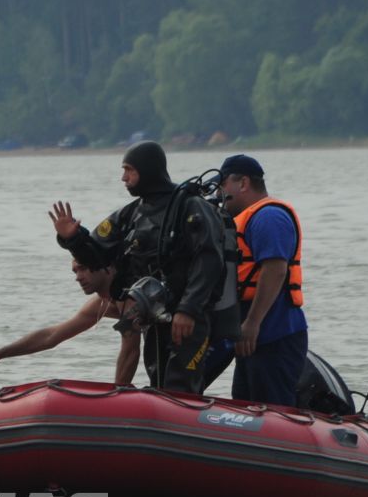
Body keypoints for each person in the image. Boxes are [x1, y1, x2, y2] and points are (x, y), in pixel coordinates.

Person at [51, 141, 237, 393]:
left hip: (190, 319)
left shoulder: (192, 207)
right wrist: (72, 238)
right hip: (153, 319)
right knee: (159, 383)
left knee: (180, 387)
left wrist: (188, 310)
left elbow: (208, 261)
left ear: (147, 170)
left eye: (129, 170)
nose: (123, 177)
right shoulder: (129, 215)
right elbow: (98, 258)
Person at [216, 154, 310, 406]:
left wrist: (252, 323)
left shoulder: (269, 216)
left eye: (223, 184)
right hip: (251, 335)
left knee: (273, 409)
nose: (220, 192)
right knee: (245, 403)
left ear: (243, 183)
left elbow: (276, 269)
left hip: (274, 333)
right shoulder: (243, 219)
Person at [0, 258, 142, 386]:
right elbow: (51, 336)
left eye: (83, 268)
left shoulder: (128, 296)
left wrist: (118, 393)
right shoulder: (100, 304)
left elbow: (131, 350)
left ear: (106, 268)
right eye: (75, 271)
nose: (78, 277)